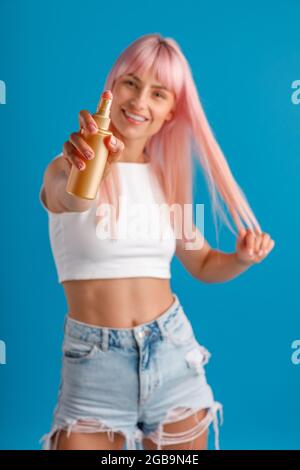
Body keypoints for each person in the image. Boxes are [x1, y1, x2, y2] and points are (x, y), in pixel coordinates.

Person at [38, 33, 275, 451]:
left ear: (170, 113)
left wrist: (240, 259)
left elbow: (201, 263)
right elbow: (70, 197)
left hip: (172, 355)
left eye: (159, 93)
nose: (139, 100)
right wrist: (87, 169)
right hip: (94, 363)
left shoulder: (166, 183)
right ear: (111, 89)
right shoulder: (66, 165)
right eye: (130, 82)